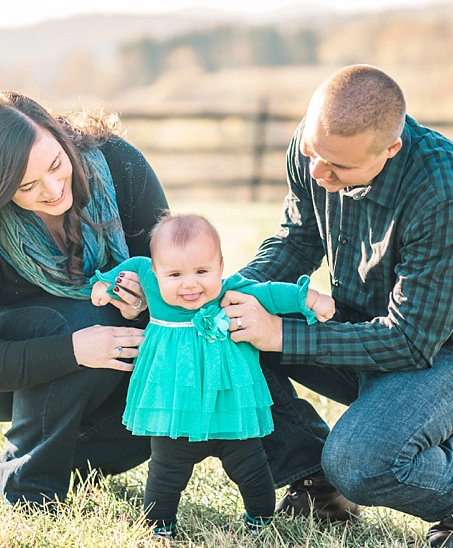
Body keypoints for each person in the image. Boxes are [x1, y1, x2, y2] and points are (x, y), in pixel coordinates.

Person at [220, 65, 453, 547]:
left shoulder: (447, 194)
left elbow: (410, 340)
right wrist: (221, 298)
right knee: (228, 334)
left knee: (360, 462)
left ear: (390, 150)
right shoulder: (319, 146)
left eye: (338, 168)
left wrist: (279, 333)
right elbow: (297, 240)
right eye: (311, 152)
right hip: (364, 325)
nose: (316, 173)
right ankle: (314, 482)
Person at [0, 91, 169, 507]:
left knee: (168, 406)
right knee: (81, 321)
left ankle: (65, 459)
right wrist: (76, 350)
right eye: (26, 186)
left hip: (96, 337)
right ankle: (25, 490)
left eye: (56, 165)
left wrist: (147, 299)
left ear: (60, 136)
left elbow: (175, 273)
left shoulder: (118, 164)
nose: (53, 189)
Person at [90, 213, 335, 537]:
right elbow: (129, 268)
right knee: (165, 473)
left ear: (220, 266)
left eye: (202, 271)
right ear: (157, 273)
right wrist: (105, 284)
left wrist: (308, 297)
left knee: (252, 468)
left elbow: (271, 293)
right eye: (175, 274)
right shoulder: (147, 277)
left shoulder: (229, 291)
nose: (190, 284)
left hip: (229, 412)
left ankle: (259, 519)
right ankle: (159, 527)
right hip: (176, 414)